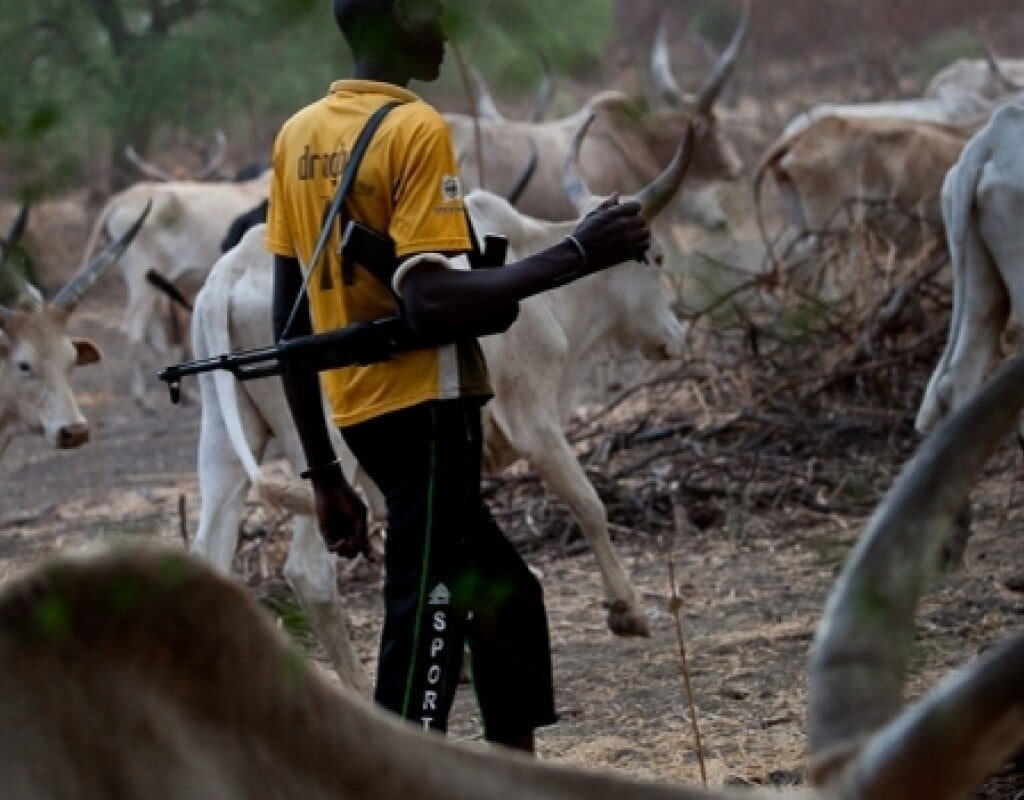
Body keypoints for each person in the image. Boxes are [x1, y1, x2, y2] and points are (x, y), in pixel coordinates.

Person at [266, 0, 651, 754]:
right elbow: (430, 298)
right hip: (429, 413)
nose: (442, 30)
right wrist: (579, 252)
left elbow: (291, 327)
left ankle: (512, 772)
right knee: (427, 622)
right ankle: (397, 771)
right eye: (425, 14)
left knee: (507, 600)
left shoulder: (298, 135)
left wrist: (322, 472)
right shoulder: (414, 128)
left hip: (362, 415)